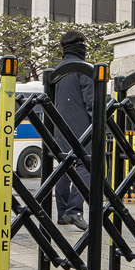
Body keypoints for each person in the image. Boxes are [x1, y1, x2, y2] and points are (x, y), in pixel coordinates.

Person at [49, 29, 95, 227]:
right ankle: (74, 210)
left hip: (59, 128)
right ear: (79, 45)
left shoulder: (57, 71)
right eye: (84, 43)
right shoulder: (83, 68)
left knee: (63, 167)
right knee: (86, 166)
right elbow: (92, 102)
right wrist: (100, 126)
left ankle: (62, 214)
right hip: (82, 128)